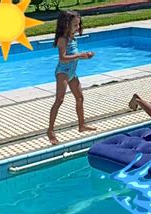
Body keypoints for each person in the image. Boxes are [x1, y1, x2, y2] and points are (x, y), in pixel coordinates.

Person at [47, 10, 96, 145]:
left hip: (72, 73)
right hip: (62, 72)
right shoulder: (63, 39)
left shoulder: (73, 38)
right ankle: (50, 130)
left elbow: (74, 55)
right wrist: (80, 55)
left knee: (80, 98)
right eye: (75, 25)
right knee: (59, 100)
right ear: (66, 25)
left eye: (78, 25)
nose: (78, 28)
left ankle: (81, 125)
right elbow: (62, 58)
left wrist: (85, 55)